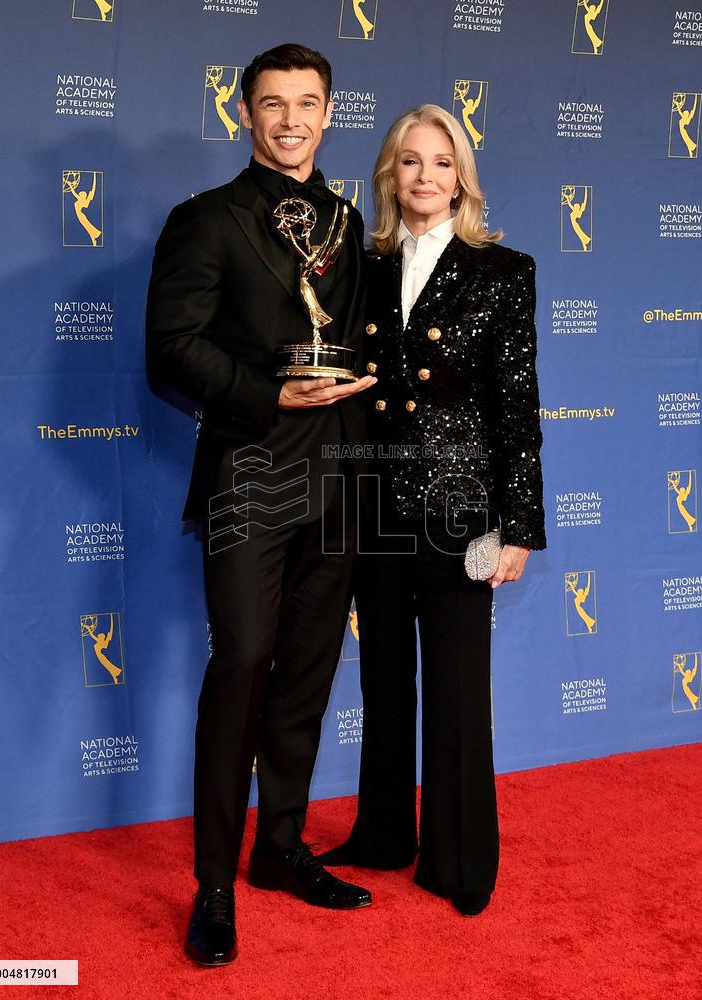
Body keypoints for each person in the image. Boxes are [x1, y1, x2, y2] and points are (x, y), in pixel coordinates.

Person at [145, 43, 377, 967]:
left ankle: (279, 849)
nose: (290, 119)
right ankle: (212, 882)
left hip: (341, 478)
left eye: (307, 103)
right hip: (249, 471)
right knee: (242, 663)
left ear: (330, 113)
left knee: (308, 677)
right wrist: (267, 393)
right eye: (272, 103)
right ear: (244, 112)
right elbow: (170, 349)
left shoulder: (350, 220)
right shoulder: (204, 220)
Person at [318, 104, 547, 916]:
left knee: (456, 686)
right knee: (382, 678)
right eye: (409, 162)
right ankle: (382, 835)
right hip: (373, 502)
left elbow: (516, 405)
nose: (424, 176)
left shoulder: (503, 270)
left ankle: (459, 861)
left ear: (462, 177)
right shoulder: (360, 267)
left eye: (441, 162)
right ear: (389, 176)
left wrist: (518, 526)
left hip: (460, 509)